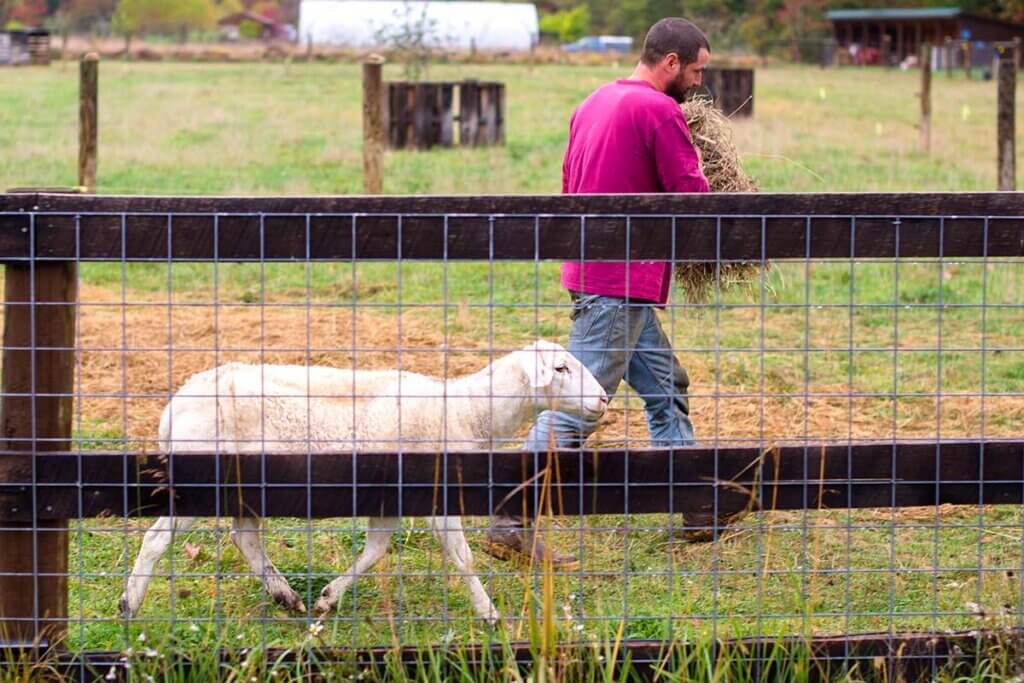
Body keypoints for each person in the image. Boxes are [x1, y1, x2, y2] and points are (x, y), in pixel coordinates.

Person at [482, 17, 712, 569]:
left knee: (665, 385)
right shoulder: (660, 110)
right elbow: (691, 193)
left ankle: (697, 501)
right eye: (698, 71)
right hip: (620, 281)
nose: (701, 84)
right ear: (672, 63)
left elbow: (568, 184)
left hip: (593, 271)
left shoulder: (594, 102)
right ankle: (509, 518)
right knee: (577, 408)